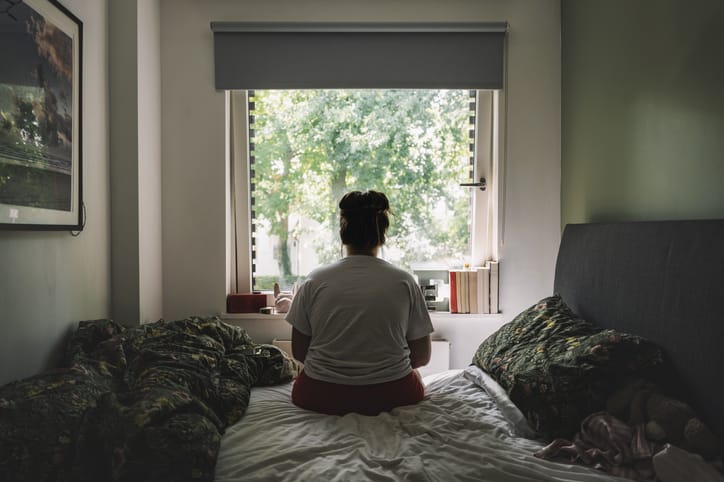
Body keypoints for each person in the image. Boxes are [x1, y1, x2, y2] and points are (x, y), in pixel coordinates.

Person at [285, 190, 434, 416]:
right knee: (416, 377)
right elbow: (422, 357)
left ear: (343, 233)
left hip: (319, 395)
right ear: (382, 233)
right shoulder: (404, 282)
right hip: (393, 394)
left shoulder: (314, 281)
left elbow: (298, 351)